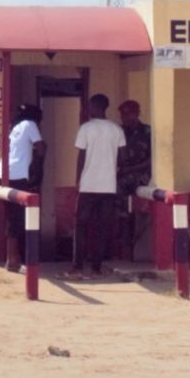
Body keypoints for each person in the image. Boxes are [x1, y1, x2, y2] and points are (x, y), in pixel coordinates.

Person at [72, 93, 127, 276]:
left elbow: (81, 157)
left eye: (89, 106)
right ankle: (96, 267)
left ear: (96, 107)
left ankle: (77, 266)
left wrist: (77, 180)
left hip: (88, 185)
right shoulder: (116, 130)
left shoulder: (86, 128)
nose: (87, 109)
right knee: (102, 228)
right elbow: (123, 158)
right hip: (108, 186)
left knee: (81, 226)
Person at [0, 105, 46, 273]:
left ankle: (12, 258)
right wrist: (37, 171)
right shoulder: (30, 124)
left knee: (12, 217)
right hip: (17, 175)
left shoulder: (15, 126)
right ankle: (12, 261)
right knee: (16, 219)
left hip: (3, 172)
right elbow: (40, 148)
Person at [117, 99, 154, 259]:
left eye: (127, 114)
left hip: (140, 173)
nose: (124, 117)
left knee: (120, 186)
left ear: (136, 113)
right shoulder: (119, 131)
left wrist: (130, 170)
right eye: (122, 114)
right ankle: (122, 231)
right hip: (122, 172)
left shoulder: (147, 132)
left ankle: (125, 234)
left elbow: (152, 159)